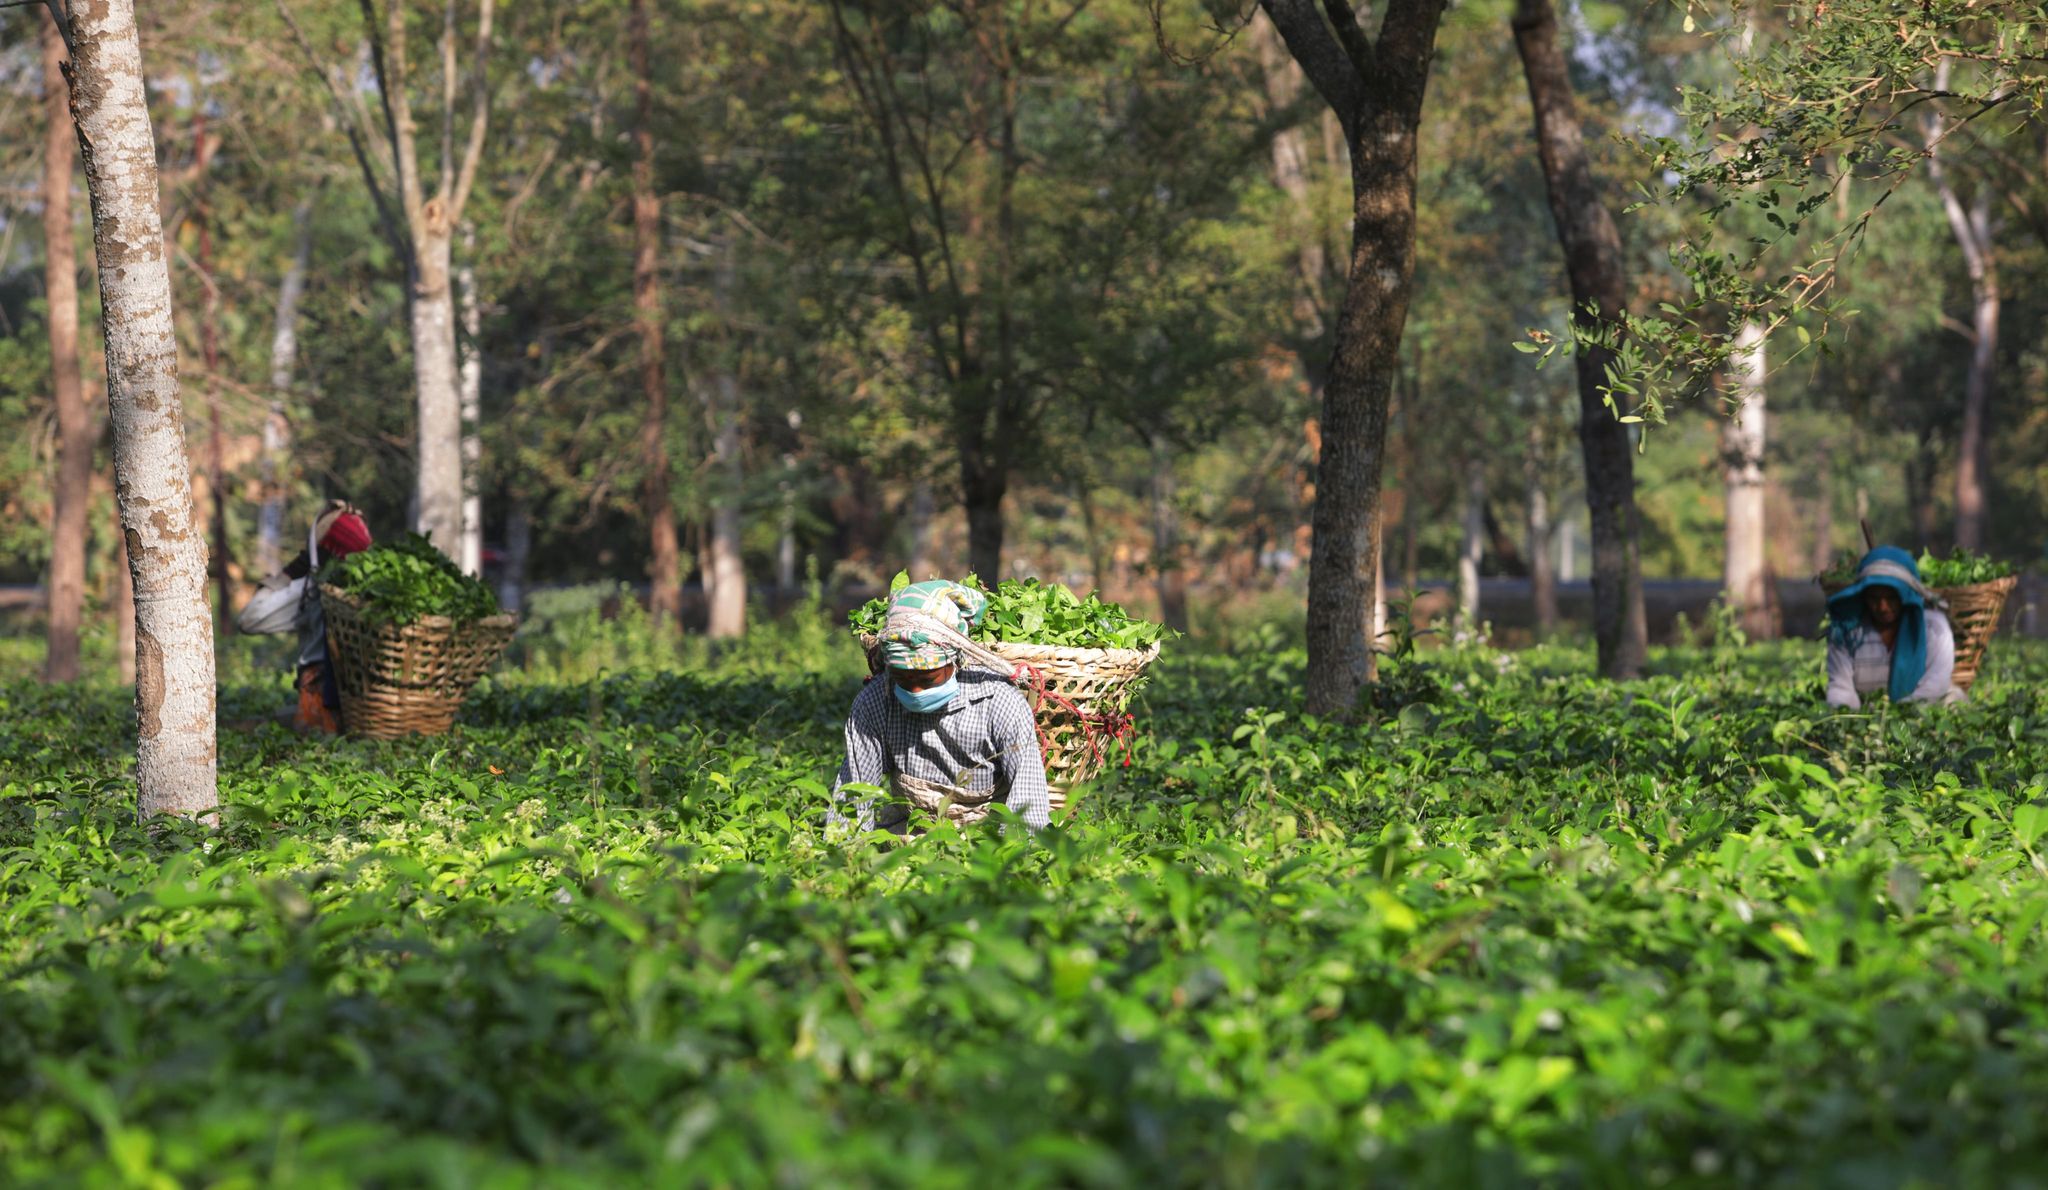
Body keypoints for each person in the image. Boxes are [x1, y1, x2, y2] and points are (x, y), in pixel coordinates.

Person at [830, 579, 1051, 832]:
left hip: (986, 838)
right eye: (902, 678)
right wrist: (845, 850)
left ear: (955, 660)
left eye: (927, 679)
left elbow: (1027, 803)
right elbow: (855, 795)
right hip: (909, 832)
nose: (915, 691)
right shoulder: (876, 700)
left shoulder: (998, 701)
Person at [236, 500, 373, 732]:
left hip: (320, 711)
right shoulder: (372, 602)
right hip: (365, 713)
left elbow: (249, 620)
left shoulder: (311, 592)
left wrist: (292, 572)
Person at [1824, 545, 1959, 709]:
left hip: (1925, 710)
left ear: (1906, 595)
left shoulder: (1933, 628)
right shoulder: (1847, 631)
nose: (1883, 607)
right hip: (1870, 714)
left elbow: (1934, 687)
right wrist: (1847, 716)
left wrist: (1896, 717)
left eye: (1892, 598)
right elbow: (1841, 688)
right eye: (1874, 598)